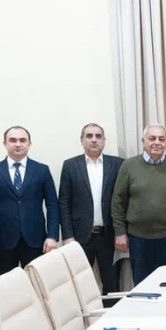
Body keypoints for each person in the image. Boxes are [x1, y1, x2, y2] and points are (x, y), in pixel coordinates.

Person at [111, 123, 166, 284]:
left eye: (161, 139)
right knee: (142, 285)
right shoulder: (129, 166)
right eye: (152, 138)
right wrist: (120, 233)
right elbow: (118, 202)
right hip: (138, 238)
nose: (157, 142)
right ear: (143, 141)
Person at [0, 126, 60, 275]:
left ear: (29, 144)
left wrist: (52, 236)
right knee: (6, 285)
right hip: (3, 242)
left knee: (37, 284)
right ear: (5, 143)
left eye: (22, 140)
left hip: (36, 241)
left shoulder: (42, 170)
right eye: (13, 140)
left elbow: (53, 206)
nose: (18, 144)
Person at [59, 123, 124, 294]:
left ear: (104, 141)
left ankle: (111, 311)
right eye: (89, 136)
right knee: (80, 286)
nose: (94, 140)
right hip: (80, 238)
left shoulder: (117, 164)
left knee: (112, 284)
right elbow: (64, 203)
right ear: (82, 140)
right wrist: (68, 236)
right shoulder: (70, 165)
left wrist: (121, 233)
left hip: (109, 236)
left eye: (98, 136)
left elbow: (124, 201)